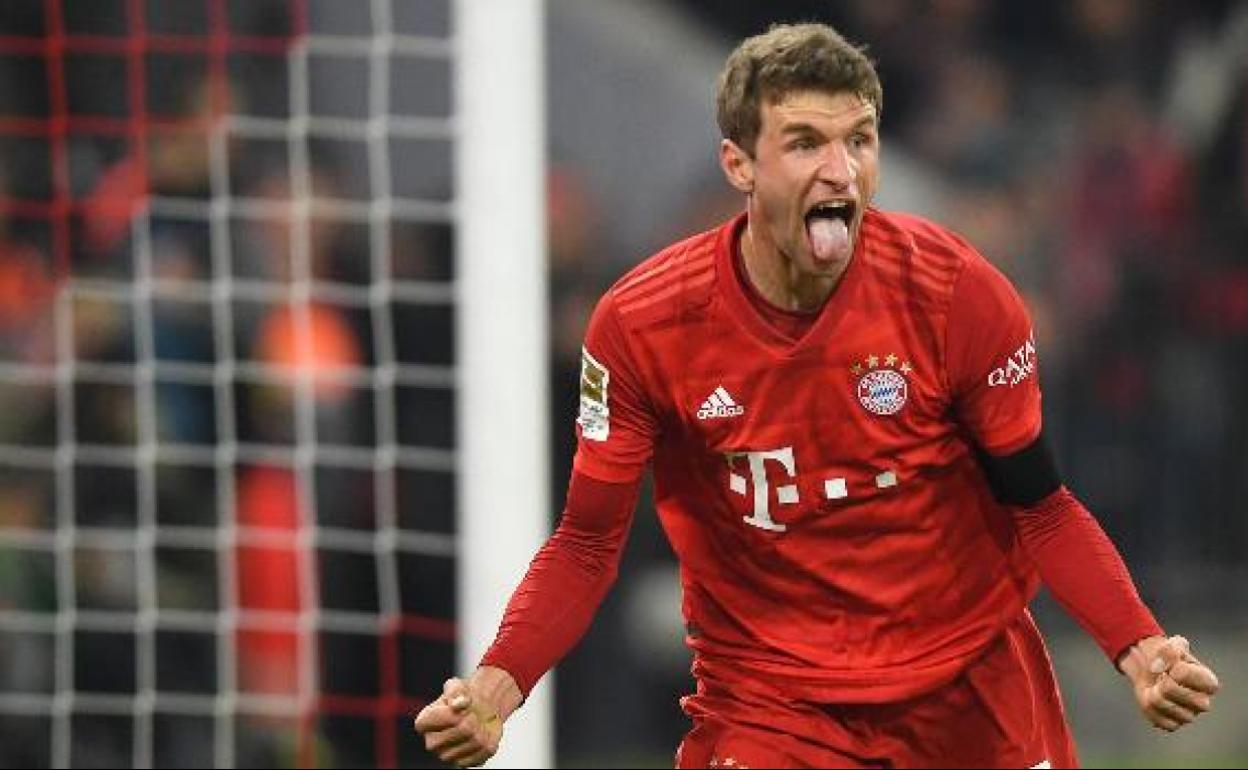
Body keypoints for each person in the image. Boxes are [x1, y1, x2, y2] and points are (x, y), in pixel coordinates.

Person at [414, 23, 1221, 768]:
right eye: (805, 143)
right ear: (740, 164)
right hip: (773, 706)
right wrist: (497, 683)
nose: (840, 170)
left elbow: (1040, 507)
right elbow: (587, 545)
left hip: (967, 690)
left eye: (858, 140)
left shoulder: (958, 295)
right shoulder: (643, 324)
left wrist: (1139, 647)